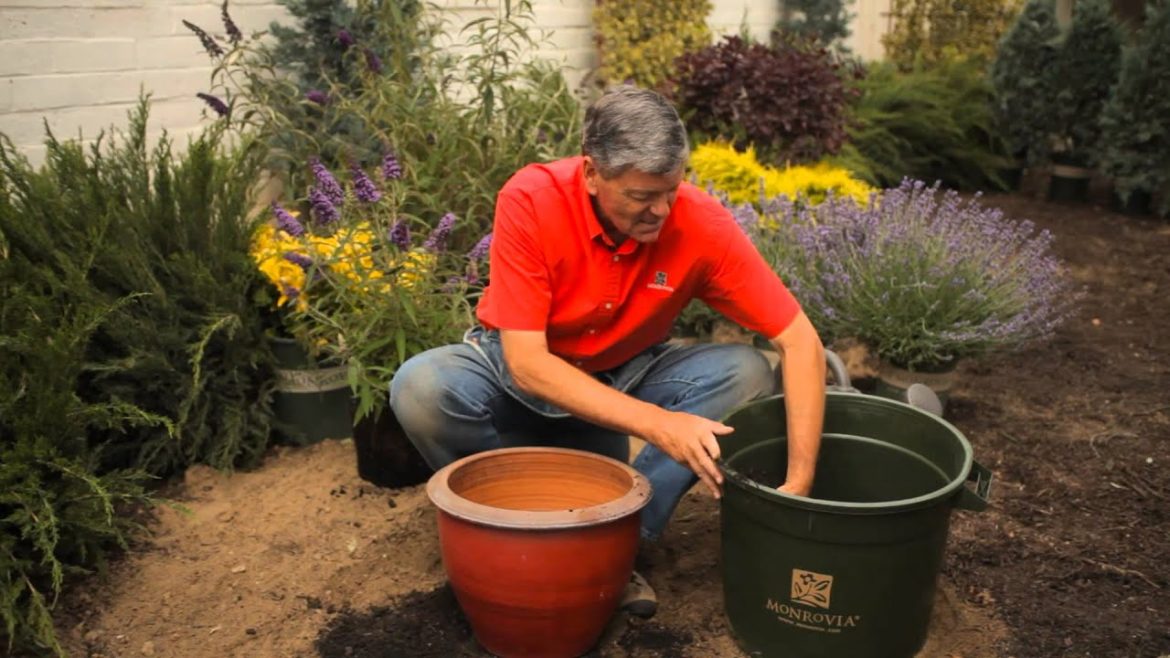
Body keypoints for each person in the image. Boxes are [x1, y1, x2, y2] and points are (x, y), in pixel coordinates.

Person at [390, 85, 826, 618]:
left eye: (671, 189)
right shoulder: (532, 199)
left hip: (626, 369)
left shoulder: (701, 223)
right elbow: (526, 364)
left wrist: (799, 481)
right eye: (642, 195)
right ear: (592, 172)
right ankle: (504, 531)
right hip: (516, 369)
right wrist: (659, 425)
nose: (661, 209)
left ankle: (622, 540)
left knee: (746, 372)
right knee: (421, 387)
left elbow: (799, 340)